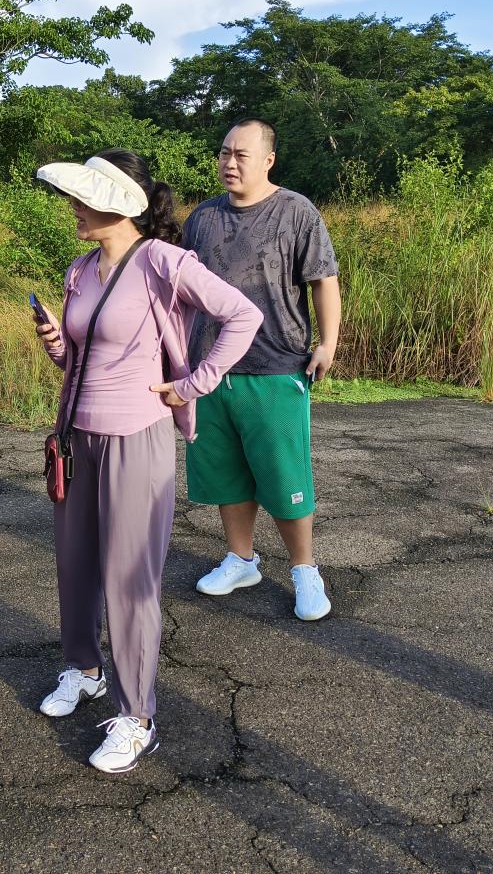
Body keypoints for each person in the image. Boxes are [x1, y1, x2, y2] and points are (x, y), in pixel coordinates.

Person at [32, 150, 261, 773]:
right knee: (76, 566)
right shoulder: (80, 270)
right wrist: (58, 344)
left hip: (140, 436)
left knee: (131, 581)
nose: (74, 208)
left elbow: (244, 315)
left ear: (119, 202)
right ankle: (83, 669)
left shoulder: (163, 261)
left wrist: (194, 383)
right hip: (78, 435)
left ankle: (137, 716)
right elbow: (78, 361)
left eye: (84, 197)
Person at [180, 118, 341, 621]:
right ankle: (240, 557)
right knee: (226, 474)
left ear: (268, 159)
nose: (229, 162)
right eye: (224, 152)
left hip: (275, 364)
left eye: (241, 155)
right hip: (211, 369)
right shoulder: (202, 218)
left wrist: (328, 342)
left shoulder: (296, 212)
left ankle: (304, 569)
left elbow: (323, 280)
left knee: (284, 475)